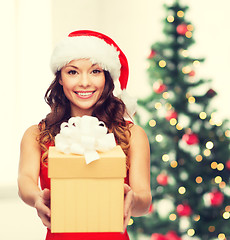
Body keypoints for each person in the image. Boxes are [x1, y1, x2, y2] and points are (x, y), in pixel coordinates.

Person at [18, 30, 152, 240]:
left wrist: (132, 200)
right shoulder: (36, 135)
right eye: (73, 72)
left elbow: (144, 198)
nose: (84, 82)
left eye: (95, 71)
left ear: (107, 77)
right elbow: (25, 180)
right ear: (60, 78)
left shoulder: (132, 135)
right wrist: (37, 197)